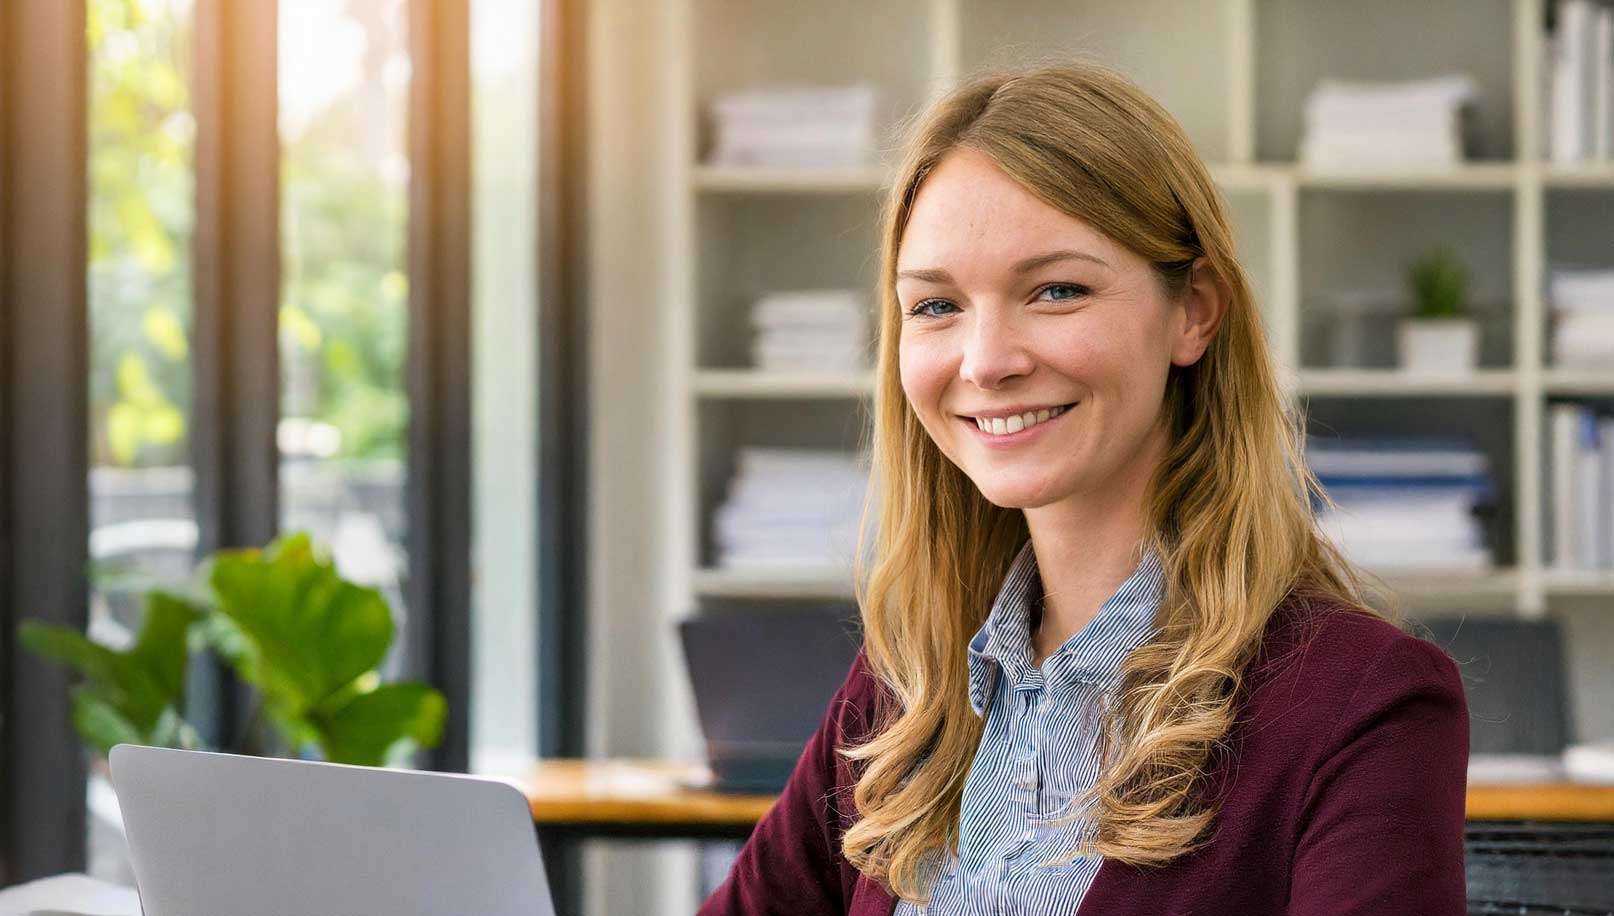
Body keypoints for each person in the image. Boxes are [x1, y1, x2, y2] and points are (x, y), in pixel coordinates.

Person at [698, 61, 1469, 916]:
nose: (987, 361)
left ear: (1194, 310)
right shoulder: (903, 691)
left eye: (1056, 290)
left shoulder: (1364, 703)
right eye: (936, 306)